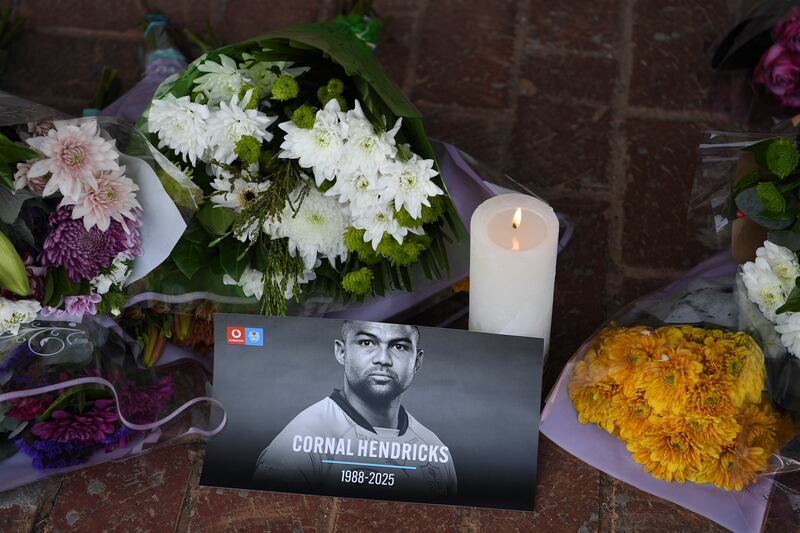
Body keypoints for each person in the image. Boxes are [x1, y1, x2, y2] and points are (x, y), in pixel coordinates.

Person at [252, 320, 457, 500]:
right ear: (341, 352)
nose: (383, 359)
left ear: (417, 361)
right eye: (367, 343)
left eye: (399, 346)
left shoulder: (435, 451)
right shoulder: (297, 444)